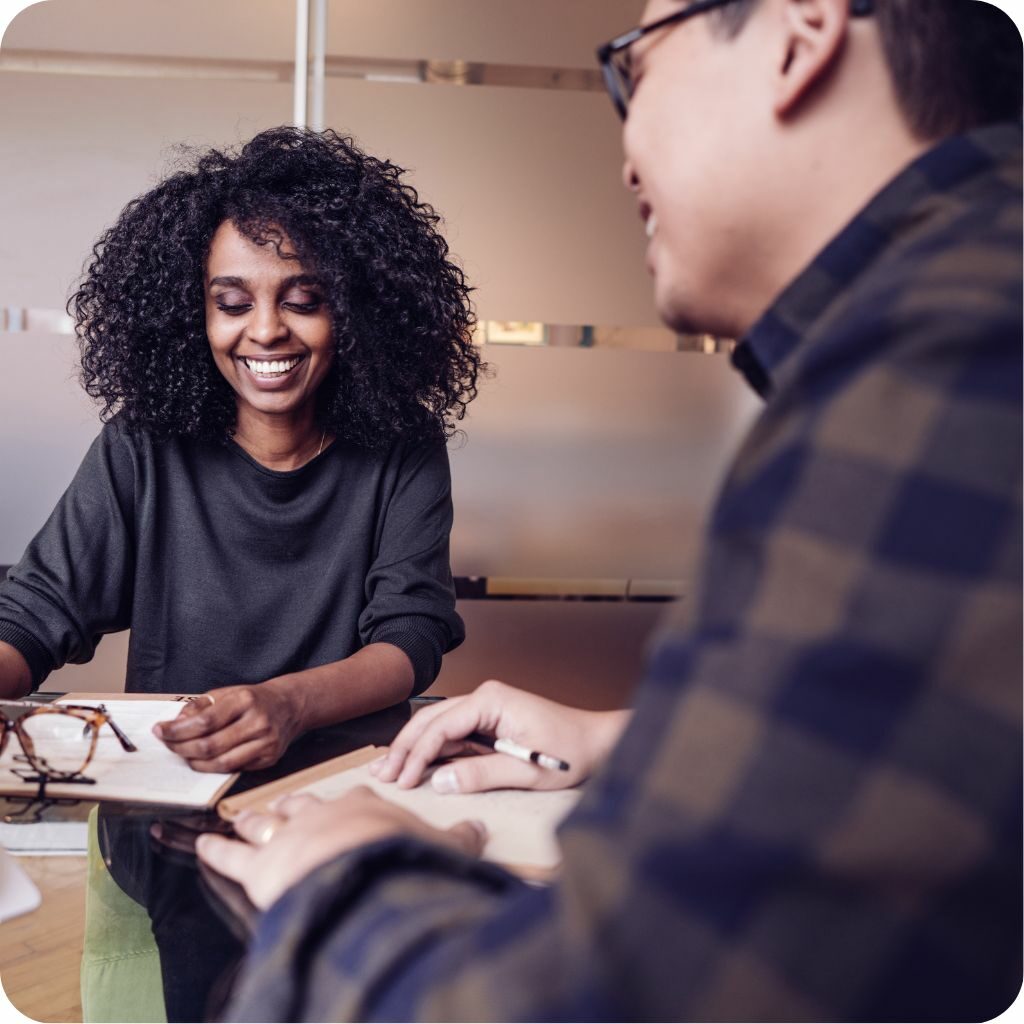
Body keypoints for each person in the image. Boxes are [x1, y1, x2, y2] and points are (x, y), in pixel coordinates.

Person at [198, 0, 1022, 1019]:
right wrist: (616, 739)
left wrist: (348, 882)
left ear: (801, 35)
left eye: (633, 69)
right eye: (231, 300)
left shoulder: (935, 363)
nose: (624, 157)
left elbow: (634, 991)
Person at [0, 126, 481, 773]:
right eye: (231, 302)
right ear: (192, 315)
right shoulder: (143, 443)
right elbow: (39, 610)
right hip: (164, 794)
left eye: (303, 300)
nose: (265, 330)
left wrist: (288, 704)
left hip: (340, 792)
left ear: (354, 311)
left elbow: (410, 635)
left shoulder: (403, 448)